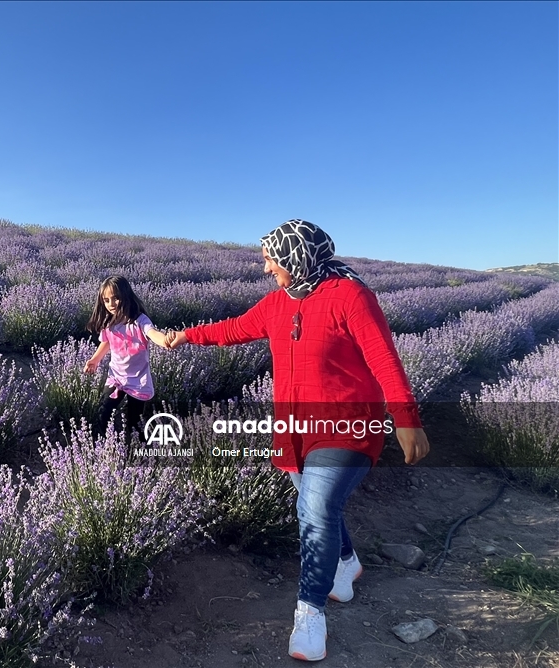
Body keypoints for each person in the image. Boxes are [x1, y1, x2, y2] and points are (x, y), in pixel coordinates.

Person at [165, 220, 430, 662]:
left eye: (271, 258)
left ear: (295, 255)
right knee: (315, 504)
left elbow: (384, 358)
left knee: (314, 506)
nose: (265, 267)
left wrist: (406, 417)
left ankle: (310, 612)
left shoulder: (350, 296)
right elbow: (232, 328)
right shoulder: (275, 304)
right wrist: (186, 336)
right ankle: (346, 564)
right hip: (293, 433)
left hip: (348, 426)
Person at [83, 276, 169, 437]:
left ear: (126, 296)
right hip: (116, 376)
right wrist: (95, 359)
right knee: (105, 410)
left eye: (116, 298)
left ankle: (135, 449)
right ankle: (99, 443)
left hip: (138, 380)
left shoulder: (140, 321)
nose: (111, 304)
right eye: (106, 300)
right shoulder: (109, 323)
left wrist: (164, 340)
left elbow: (152, 333)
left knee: (134, 420)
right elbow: (107, 343)